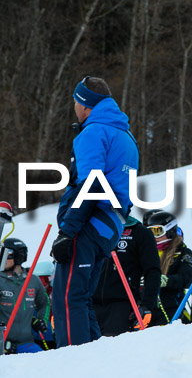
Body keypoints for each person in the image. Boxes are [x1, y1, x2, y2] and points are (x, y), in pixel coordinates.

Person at [49, 76, 139, 347]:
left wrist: (67, 231)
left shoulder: (94, 132)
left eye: (75, 101)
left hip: (87, 224)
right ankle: (94, 362)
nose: (74, 107)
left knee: (67, 297)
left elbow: (92, 184)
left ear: (85, 104)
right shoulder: (126, 136)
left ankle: (72, 364)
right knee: (82, 298)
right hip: (110, 225)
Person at [93, 214, 161, 336]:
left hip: (121, 306)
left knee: (112, 351)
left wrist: (147, 305)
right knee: (83, 352)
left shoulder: (139, 233)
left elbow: (152, 271)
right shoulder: (91, 229)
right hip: (90, 304)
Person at [144, 211, 192, 325]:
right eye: (150, 231)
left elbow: (188, 277)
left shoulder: (183, 252)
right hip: (147, 308)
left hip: (171, 308)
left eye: (157, 231)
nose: (154, 236)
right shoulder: (146, 252)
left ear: (170, 231)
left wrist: (167, 280)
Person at [0, 237, 50, 354]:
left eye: (7, 253)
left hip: (26, 343)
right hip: (3, 345)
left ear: (18, 257)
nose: (2, 257)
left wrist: (41, 320)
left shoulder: (32, 280)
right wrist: (3, 343)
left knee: (44, 363)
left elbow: (44, 303)